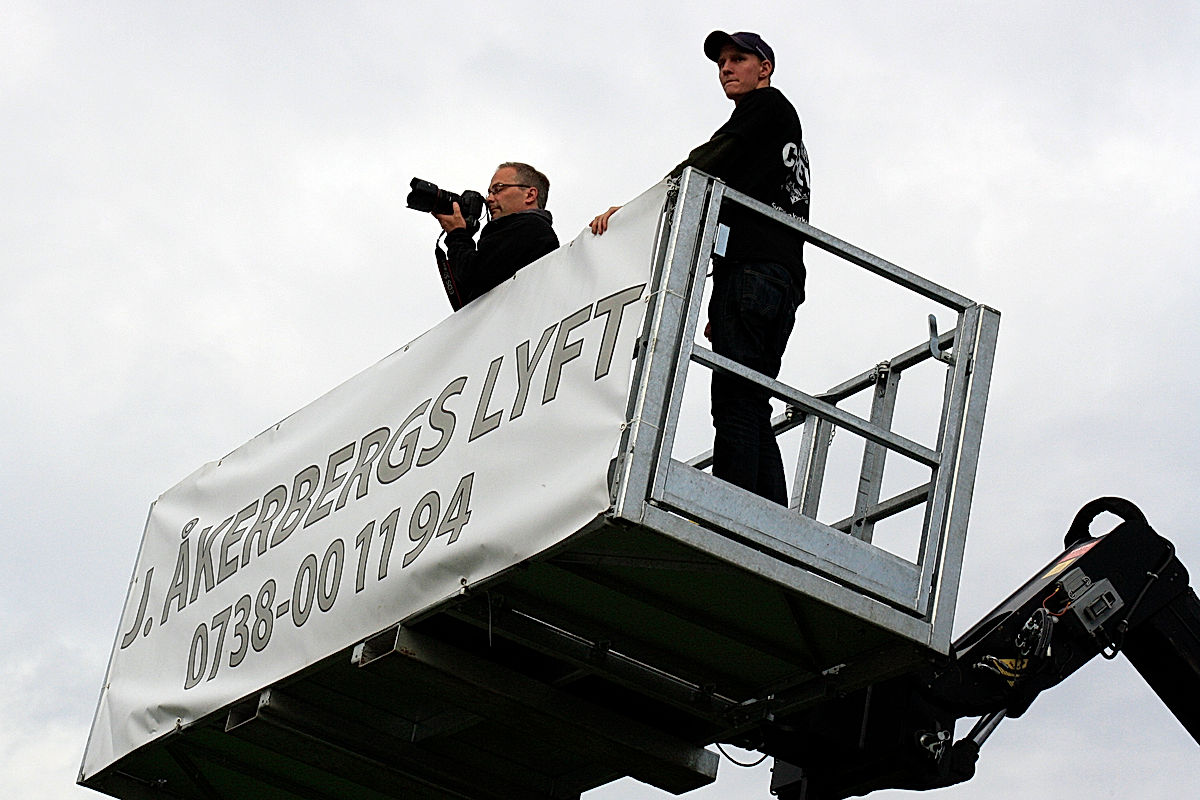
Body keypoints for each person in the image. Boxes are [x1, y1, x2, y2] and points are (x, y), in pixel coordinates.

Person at [590, 31, 810, 505]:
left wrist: (636, 211)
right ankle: (768, 515)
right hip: (772, 278)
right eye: (721, 62)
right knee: (749, 399)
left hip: (756, 276)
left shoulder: (765, 109)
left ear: (764, 67)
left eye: (738, 58)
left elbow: (706, 165)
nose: (726, 68)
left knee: (734, 400)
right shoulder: (774, 123)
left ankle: (731, 511)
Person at [434, 162, 559, 310]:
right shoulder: (522, 230)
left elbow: (473, 275)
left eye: (498, 189)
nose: (489, 199)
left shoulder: (529, 227)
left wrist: (457, 235)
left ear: (530, 195)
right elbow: (471, 300)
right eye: (489, 193)